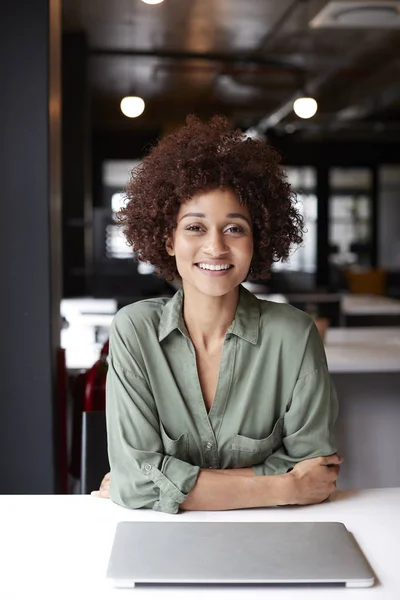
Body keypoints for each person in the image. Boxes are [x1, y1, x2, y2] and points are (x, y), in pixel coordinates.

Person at [91, 115, 342, 513]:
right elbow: (134, 480)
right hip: (164, 541)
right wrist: (285, 488)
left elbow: (316, 471)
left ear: (257, 239)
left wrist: (161, 480)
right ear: (168, 239)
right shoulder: (134, 330)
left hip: (272, 539)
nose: (215, 247)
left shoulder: (294, 335)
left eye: (235, 229)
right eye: (194, 227)